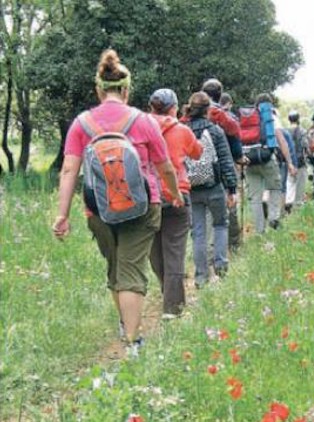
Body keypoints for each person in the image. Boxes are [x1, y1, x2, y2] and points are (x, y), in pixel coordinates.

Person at [52, 49, 183, 354]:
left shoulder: (82, 124)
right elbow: (165, 167)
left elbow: (69, 169)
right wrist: (174, 194)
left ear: (99, 89)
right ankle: (133, 341)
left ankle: (126, 325)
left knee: (115, 269)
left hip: (99, 209)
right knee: (132, 271)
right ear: (126, 90)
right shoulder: (143, 121)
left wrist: (62, 215)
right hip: (142, 205)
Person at [148, 88, 202, 319]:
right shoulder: (182, 130)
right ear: (174, 108)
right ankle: (173, 307)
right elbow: (197, 153)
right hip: (177, 194)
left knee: (154, 251)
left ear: (151, 108)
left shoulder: (140, 127)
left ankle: (167, 291)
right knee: (175, 251)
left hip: (148, 196)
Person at [182, 91, 238, 289]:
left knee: (198, 232)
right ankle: (221, 266)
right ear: (208, 110)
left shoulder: (183, 129)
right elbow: (225, 160)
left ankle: (200, 276)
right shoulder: (215, 130)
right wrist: (232, 188)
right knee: (220, 225)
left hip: (192, 189)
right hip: (214, 187)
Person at [243, 93, 297, 232]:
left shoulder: (248, 118)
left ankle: (259, 230)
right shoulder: (270, 117)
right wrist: (289, 162)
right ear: (269, 104)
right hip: (267, 159)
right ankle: (273, 219)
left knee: (255, 197)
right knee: (275, 187)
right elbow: (282, 141)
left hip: (249, 161)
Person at [202, 79, 244, 252]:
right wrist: (240, 159)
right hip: (223, 166)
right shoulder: (226, 117)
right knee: (229, 203)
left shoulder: (192, 114)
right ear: (220, 95)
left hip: (199, 166)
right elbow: (235, 145)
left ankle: (205, 248)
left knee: (204, 211)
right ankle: (233, 244)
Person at [285, 110, 308, 213]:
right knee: (300, 184)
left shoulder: (285, 131)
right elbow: (305, 145)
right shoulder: (302, 131)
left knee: (290, 182)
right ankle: (297, 205)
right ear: (298, 119)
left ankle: (288, 201)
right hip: (300, 162)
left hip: (289, 162)